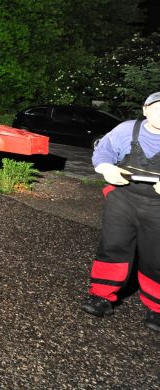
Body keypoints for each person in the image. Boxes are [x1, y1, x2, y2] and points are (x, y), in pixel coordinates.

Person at [82, 91, 160, 334]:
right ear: (145, 109)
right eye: (156, 107)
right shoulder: (126, 130)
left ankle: (157, 307)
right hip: (122, 198)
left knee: (155, 255)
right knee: (113, 246)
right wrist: (106, 168)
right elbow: (103, 151)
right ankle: (101, 296)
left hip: (158, 206)